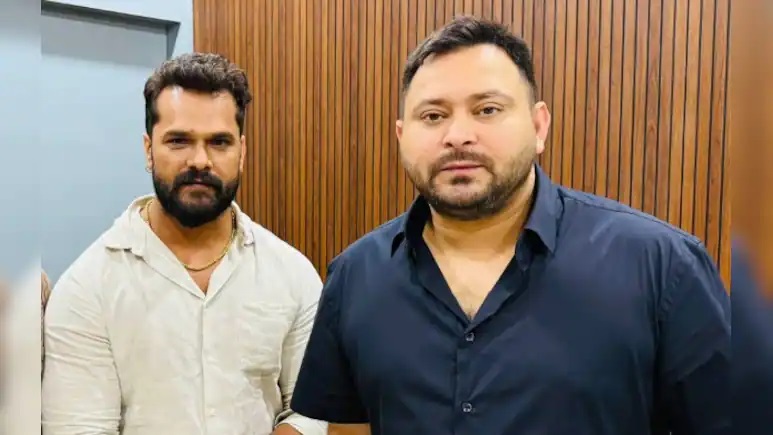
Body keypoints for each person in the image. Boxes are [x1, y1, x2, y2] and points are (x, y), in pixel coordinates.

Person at [290, 16, 730, 435]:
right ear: (402, 137)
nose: (457, 135)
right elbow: (349, 426)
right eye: (433, 116)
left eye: (487, 109)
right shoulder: (355, 275)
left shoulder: (661, 266)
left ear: (539, 126)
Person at [42, 53, 326, 435]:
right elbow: (78, 428)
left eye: (219, 142)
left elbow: (314, 410)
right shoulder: (87, 289)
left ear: (242, 152)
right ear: (148, 149)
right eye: (179, 141)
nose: (200, 161)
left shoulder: (292, 275)